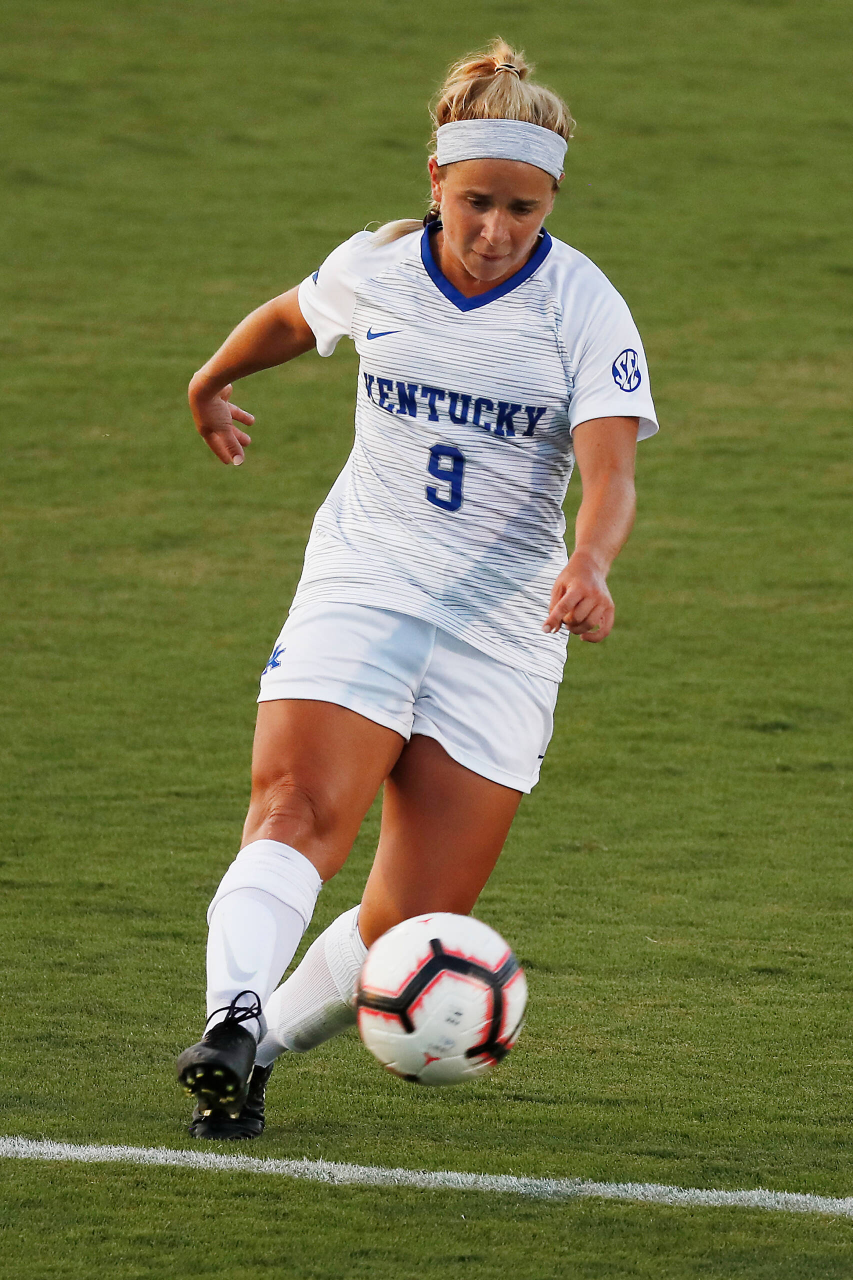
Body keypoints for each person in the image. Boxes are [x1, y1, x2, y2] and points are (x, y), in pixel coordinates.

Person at [177, 38, 658, 1139]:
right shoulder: (379, 266)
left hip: (504, 629)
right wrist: (212, 379)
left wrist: (589, 563)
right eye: (477, 201)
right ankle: (230, 1014)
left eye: (524, 210)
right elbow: (296, 318)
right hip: (367, 582)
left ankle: (253, 1059)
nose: (496, 231)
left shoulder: (582, 308)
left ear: (552, 202)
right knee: (296, 811)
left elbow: (611, 469)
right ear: (434, 180)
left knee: (417, 917)